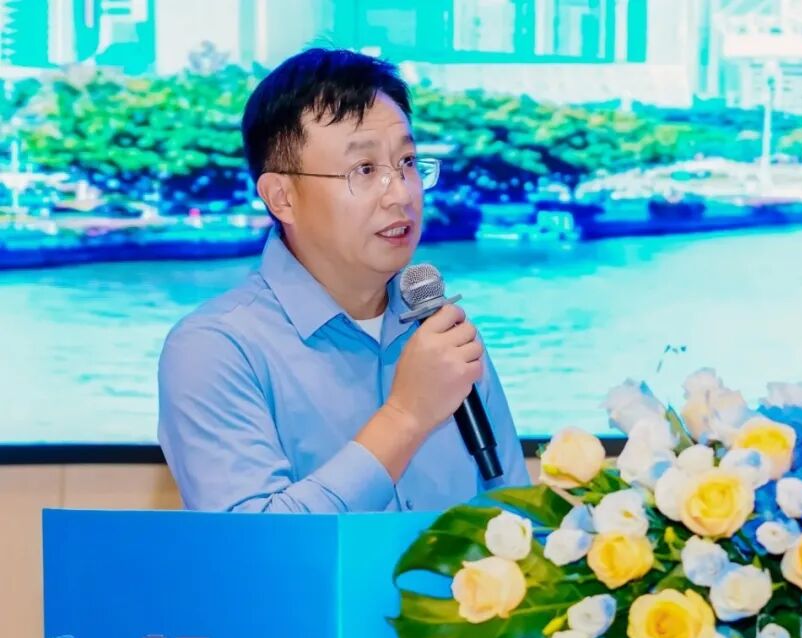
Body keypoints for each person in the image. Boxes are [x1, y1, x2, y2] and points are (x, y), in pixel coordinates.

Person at [157, 48, 529, 512]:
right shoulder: (215, 349)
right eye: (365, 170)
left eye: (407, 162)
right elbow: (256, 543)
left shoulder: (441, 333)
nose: (401, 194)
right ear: (281, 197)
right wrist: (406, 416)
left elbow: (518, 520)